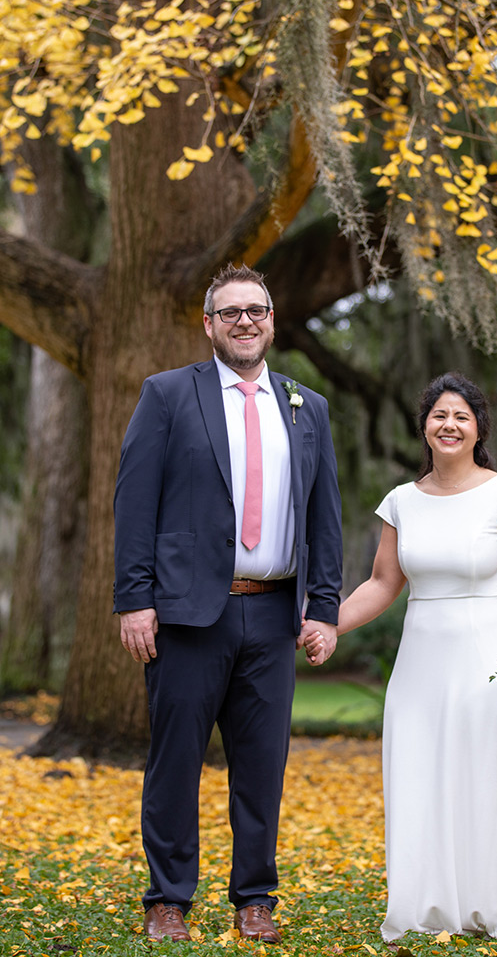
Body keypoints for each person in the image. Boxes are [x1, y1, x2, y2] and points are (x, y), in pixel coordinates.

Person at [114, 263, 343, 945]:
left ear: (272, 320)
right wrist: (135, 600)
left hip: (273, 618)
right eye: (231, 312)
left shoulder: (307, 407)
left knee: (261, 768)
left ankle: (255, 899)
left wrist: (323, 607)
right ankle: (168, 900)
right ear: (209, 323)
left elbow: (323, 516)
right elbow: (135, 505)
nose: (246, 321)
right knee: (175, 763)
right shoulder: (167, 396)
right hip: (186, 616)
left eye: (258, 310)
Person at [307, 372, 497, 942]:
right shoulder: (401, 501)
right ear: (424, 426)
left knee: (487, 774)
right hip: (421, 660)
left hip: (489, 655)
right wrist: (328, 624)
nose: (449, 425)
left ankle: (495, 903)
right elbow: (381, 583)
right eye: (439, 415)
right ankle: (428, 905)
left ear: (478, 429)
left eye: (461, 417)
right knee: (421, 772)